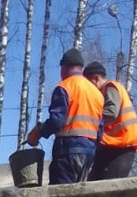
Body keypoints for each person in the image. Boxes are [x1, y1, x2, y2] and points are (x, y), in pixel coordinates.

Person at [25, 48, 104, 184]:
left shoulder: (65, 87)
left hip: (67, 152)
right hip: (89, 154)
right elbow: (100, 130)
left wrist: (38, 131)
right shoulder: (97, 93)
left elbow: (57, 121)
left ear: (65, 68)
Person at [83, 60, 137, 180]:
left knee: (108, 188)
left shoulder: (110, 87)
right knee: (95, 184)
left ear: (95, 78)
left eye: (89, 84)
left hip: (122, 146)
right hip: (113, 147)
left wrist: (88, 119)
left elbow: (111, 112)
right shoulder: (105, 91)